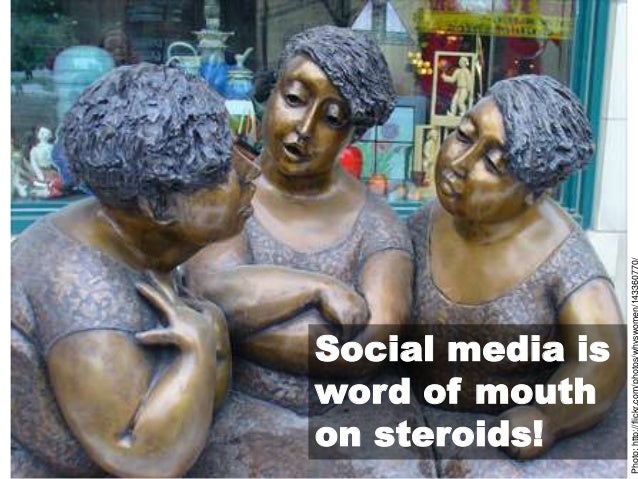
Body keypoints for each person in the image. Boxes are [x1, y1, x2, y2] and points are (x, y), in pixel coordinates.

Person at [182, 26, 424, 477]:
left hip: (351, 415)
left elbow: (372, 345)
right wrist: (316, 288)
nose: (305, 128)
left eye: (333, 118)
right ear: (270, 94)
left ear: (354, 133)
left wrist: (241, 324)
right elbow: (211, 293)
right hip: (241, 401)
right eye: (294, 98)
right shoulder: (228, 195)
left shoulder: (378, 224)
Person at [11, 63, 260, 478]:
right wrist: (199, 350)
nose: (251, 171)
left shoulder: (139, 236)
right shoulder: (88, 300)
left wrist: (211, 331)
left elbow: (202, 416)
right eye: (222, 173)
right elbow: (143, 458)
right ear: (158, 206)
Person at [408, 75, 625, 467]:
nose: (459, 163)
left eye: (493, 163)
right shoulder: (425, 223)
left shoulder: (565, 259)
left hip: (498, 438)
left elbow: (603, 358)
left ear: (535, 191)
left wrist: (548, 416)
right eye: (463, 135)